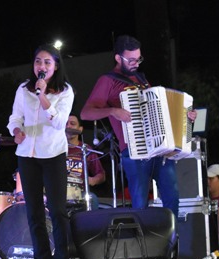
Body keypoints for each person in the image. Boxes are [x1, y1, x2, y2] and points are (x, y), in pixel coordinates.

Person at [81, 34, 195, 218]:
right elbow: (86, 113)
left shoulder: (141, 80)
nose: (137, 63)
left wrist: (185, 116)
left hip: (159, 150)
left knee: (172, 198)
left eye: (138, 58)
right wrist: (112, 111)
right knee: (140, 204)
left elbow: (159, 113)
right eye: (131, 60)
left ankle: (172, 243)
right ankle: (142, 244)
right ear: (118, 58)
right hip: (134, 152)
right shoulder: (107, 81)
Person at [7, 44, 75, 259]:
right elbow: (15, 116)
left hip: (54, 154)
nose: (42, 66)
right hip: (27, 155)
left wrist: (43, 96)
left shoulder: (65, 91)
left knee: (57, 210)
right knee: (34, 212)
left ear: (56, 66)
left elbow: (59, 124)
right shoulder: (23, 90)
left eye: (47, 62)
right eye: (38, 62)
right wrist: (15, 130)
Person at [65, 113, 106, 211]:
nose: (68, 126)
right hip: (58, 192)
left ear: (80, 129)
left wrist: (93, 180)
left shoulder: (86, 149)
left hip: (80, 193)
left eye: (72, 123)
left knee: (92, 199)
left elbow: (101, 174)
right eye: (66, 124)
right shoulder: (54, 148)